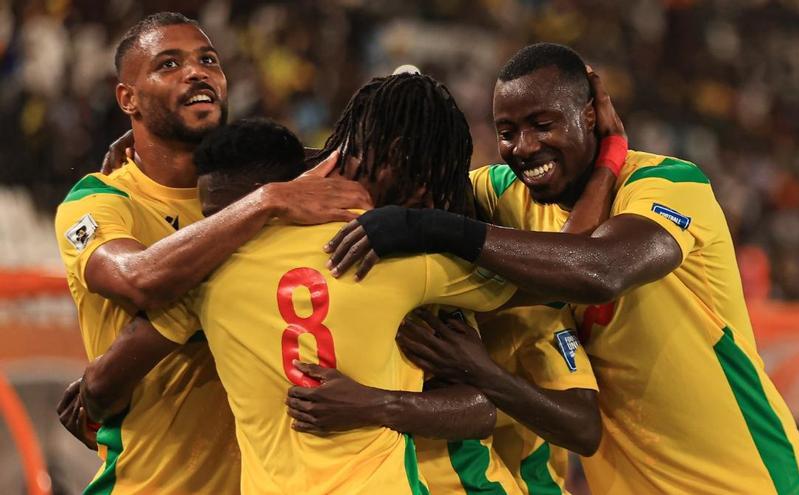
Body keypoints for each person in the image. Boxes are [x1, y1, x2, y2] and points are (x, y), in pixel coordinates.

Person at [327, 43, 799, 494]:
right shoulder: (506, 194)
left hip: (750, 482)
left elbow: (600, 270)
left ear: (589, 115)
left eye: (543, 125)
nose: (523, 147)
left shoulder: (666, 184)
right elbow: (401, 177)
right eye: (507, 132)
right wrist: (278, 188)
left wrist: (433, 229)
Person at [78, 74, 517, 495]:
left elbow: (101, 385)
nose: (220, 226)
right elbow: (519, 288)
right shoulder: (404, 255)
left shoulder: (205, 275)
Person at [54, 12, 369, 493]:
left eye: (208, 60)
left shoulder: (262, 179)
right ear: (127, 99)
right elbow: (140, 279)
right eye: (168, 64)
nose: (197, 71)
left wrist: (271, 192)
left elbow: (371, 153)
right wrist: (269, 202)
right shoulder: (100, 202)